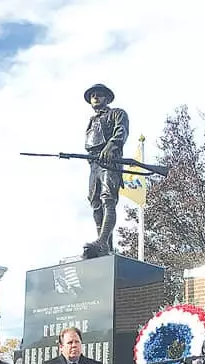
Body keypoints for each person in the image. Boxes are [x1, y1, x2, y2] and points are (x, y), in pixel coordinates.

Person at [82, 83, 129, 259]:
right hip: (94, 164)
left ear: (107, 98)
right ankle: (104, 245)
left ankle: (102, 240)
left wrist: (110, 147)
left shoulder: (117, 113)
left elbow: (120, 132)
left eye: (99, 94)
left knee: (108, 199)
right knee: (95, 202)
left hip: (110, 161)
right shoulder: (92, 121)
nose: (95, 97)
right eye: (93, 94)